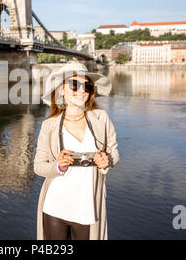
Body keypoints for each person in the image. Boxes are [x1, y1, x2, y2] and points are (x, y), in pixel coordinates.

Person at [34, 63, 120, 240]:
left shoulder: (101, 118)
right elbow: (38, 166)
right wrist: (57, 166)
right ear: (61, 91)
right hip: (54, 206)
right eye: (74, 85)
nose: (81, 90)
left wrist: (107, 162)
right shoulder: (49, 126)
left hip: (86, 207)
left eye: (87, 86)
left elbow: (114, 153)